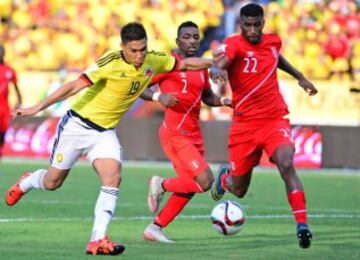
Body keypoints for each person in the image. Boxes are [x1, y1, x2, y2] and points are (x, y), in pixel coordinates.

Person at [5, 22, 217, 256]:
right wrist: (38, 106)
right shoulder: (110, 61)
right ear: (122, 47)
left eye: (142, 49)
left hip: (105, 132)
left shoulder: (154, 60)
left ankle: (97, 239)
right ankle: (28, 181)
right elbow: (75, 85)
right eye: (133, 50)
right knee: (52, 183)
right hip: (77, 126)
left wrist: (215, 62)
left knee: (113, 176)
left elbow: (186, 64)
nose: (139, 56)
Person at [210, 3, 318, 249]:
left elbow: (275, 57)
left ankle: (302, 225)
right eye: (247, 25)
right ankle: (226, 177)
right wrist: (217, 69)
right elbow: (222, 60)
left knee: (287, 164)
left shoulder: (273, 41)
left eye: (256, 24)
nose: (252, 30)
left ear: (263, 23)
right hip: (244, 126)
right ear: (240, 25)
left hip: (273, 119)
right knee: (238, 190)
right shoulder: (234, 44)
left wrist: (299, 76)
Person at [140, 21, 231, 243]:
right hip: (175, 133)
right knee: (205, 181)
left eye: (196, 37)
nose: (192, 41)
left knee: (190, 187)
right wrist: (157, 97)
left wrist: (225, 101)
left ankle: (155, 228)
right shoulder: (168, 64)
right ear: (177, 41)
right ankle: (160, 184)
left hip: (194, 134)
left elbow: (207, 97)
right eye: (187, 37)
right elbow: (140, 85)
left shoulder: (200, 68)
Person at [0, 45, 22, 160]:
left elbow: (16, 87)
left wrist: (19, 101)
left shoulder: (9, 70)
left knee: (3, 132)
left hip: (4, 108)